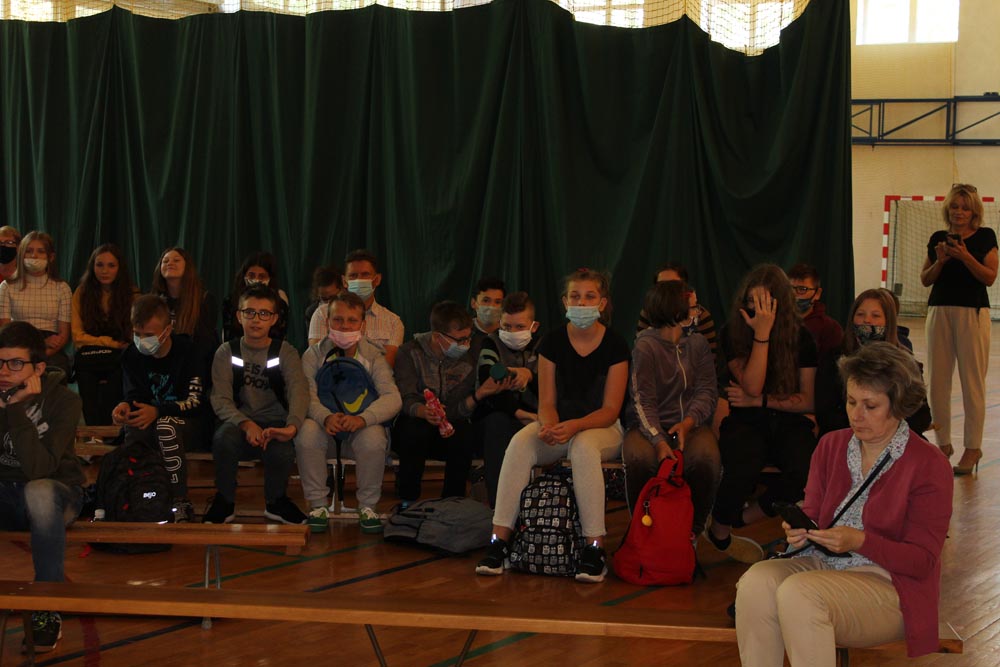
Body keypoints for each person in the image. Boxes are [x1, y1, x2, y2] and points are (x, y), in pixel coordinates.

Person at [735, 343, 953, 665]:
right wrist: (799, 530)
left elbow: (921, 561)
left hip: (891, 586)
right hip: (821, 566)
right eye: (851, 401)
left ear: (898, 406)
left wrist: (860, 541)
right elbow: (812, 512)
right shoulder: (830, 445)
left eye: (870, 406)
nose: (856, 415)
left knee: (800, 593)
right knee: (756, 581)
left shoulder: (929, 464)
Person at [477, 268, 629, 583]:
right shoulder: (552, 342)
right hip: (560, 426)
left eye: (589, 296)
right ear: (565, 302)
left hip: (601, 428)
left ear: (602, 303)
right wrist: (548, 425)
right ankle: (499, 541)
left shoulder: (616, 345)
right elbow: (546, 401)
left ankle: (594, 549)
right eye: (575, 296)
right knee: (521, 442)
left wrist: (574, 426)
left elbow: (611, 410)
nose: (581, 303)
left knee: (584, 448)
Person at [705, 264, 817, 564]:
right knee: (744, 461)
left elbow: (807, 401)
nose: (758, 311)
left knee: (805, 468)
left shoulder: (802, 338)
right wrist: (762, 335)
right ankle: (718, 528)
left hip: (786, 420)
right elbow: (752, 383)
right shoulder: (732, 333)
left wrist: (761, 401)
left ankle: (742, 518)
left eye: (766, 303)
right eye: (752, 302)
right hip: (746, 420)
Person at [0, 322, 84, 653]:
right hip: (7, 495)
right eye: (0, 362)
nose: (4, 371)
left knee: (39, 491)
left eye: (15, 363)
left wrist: (15, 409)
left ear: (38, 369)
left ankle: (47, 607)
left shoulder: (65, 402)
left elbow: (41, 469)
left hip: (57, 494)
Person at [295, 292, 401, 533]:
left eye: (352, 321)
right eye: (338, 320)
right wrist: (325, 417)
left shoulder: (374, 356)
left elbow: (392, 398)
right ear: (327, 322)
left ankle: (368, 506)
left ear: (362, 325)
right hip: (325, 429)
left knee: (374, 436)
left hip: (359, 430)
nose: (344, 326)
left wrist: (363, 419)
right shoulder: (312, 355)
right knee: (306, 431)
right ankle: (318, 506)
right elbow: (305, 396)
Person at [623, 280, 719, 539]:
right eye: (693, 307)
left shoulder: (698, 344)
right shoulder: (645, 346)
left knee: (706, 459)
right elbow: (642, 401)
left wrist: (688, 422)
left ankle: (692, 532)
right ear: (676, 311)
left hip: (691, 424)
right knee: (640, 460)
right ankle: (644, 530)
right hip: (647, 427)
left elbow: (707, 391)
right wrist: (658, 440)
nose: (698, 312)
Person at [205, 286, 309, 525]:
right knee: (223, 439)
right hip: (237, 421)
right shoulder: (226, 351)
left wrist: (291, 427)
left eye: (264, 313)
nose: (256, 319)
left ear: (274, 319)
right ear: (239, 316)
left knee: (282, 449)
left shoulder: (286, 352)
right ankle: (224, 501)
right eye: (249, 312)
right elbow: (220, 399)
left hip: (275, 421)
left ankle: (276, 502)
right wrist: (245, 423)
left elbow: (299, 391)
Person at [919, 183, 997, 475]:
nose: (959, 212)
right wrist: (941, 261)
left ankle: (972, 447)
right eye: (955, 206)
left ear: (974, 211)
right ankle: (942, 445)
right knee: (938, 381)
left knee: (971, 381)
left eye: (965, 207)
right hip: (939, 310)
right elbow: (925, 279)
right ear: (948, 208)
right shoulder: (938, 239)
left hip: (972, 313)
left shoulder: (986, 236)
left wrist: (965, 256)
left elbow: (989, 276)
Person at [112, 295, 207, 522]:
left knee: (166, 427)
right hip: (151, 419)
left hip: (190, 422)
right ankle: (137, 496)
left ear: (167, 330)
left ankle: (179, 500)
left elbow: (196, 402)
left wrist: (158, 411)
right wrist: (125, 407)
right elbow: (134, 395)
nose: (142, 340)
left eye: (149, 335)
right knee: (133, 428)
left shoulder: (190, 352)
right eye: (137, 334)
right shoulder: (131, 355)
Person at [392, 301, 491, 505]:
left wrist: (474, 398)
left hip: (451, 422)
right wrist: (423, 411)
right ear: (438, 337)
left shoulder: (471, 358)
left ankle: (453, 502)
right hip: (416, 422)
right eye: (460, 340)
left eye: (468, 338)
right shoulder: (409, 353)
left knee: (464, 434)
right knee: (413, 431)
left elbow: (461, 407)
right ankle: (407, 500)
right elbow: (405, 397)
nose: (465, 344)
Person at [815, 289, 931, 436]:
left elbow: (921, 416)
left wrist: (884, 431)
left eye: (875, 316)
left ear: (889, 321)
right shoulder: (834, 358)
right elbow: (825, 413)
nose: (867, 320)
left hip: (893, 437)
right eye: (860, 314)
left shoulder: (905, 361)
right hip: (847, 435)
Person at [475, 290, 541, 507]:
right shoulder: (490, 343)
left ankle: (535, 505)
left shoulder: (543, 345)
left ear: (534, 326)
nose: (512, 332)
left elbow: (552, 385)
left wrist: (529, 375)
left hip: (537, 416)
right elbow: (489, 381)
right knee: (497, 423)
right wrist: (519, 413)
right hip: (502, 415)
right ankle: (499, 506)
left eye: (519, 327)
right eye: (506, 326)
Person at [71, 244, 138, 425]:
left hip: (120, 355)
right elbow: (77, 336)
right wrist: (111, 343)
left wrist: (117, 346)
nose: (104, 271)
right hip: (91, 354)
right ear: (92, 267)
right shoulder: (81, 292)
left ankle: (112, 431)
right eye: (99, 265)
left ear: (119, 268)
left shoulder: (132, 294)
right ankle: (94, 432)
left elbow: (133, 335)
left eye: (111, 265)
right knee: (85, 375)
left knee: (118, 375)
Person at [307, 249, 403, 366]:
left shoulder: (393, 322)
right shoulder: (322, 314)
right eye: (353, 275)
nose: (359, 280)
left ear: (377, 280)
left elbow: (385, 367)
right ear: (344, 281)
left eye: (365, 275)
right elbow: (317, 361)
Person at [0, 232, 72, 376]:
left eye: (41, 251)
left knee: (56, 372)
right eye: (29, 251)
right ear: (21, 254)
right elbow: (5, 330)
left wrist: (41, 355)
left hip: (51, 350)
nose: (34, 256)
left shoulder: (62, 288)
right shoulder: (6, 287)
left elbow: (63, 334)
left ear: (51, 257)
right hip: (17, 344)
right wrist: (39, 346)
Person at [150, 246, 219, 358]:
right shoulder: (154, 301)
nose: (170, 263)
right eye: (165, 261)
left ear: (188, 266)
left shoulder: (205, 299)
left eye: (176, 260)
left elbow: (204, 343)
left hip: (194, 359)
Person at [636, 262, 718, 356]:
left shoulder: (701, 315)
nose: (667, 291)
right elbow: (640, 352)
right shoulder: (648, 312)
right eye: (661, 285)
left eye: (673, 284)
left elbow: (710, 357)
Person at [221, 252, 290, 341]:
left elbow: (280, 337)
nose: (256, 280)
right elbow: (228, 336)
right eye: (251, 275)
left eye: (261, 276)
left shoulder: (280, 304)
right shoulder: (230, 302)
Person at [787, 262, 843, 359]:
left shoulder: (831, 328)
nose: (794, 294)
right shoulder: (776, 321)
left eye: (802, 289)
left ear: (817, 293)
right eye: (790, 289)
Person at [303, 264, 343, 335]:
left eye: (333, 298)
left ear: (341, 290)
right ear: (318, 295)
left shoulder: (352, 308)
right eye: (324, 299)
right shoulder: (311, 312)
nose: (329, 303)